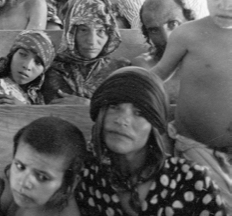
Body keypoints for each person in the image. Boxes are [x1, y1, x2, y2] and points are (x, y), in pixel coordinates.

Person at [77, 67, 227, 215]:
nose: (122, 120)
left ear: (153, 126)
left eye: (139, 113)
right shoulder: (87, 178)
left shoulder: (190, 179)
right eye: (114, 106)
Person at [149, 0, 232, 208]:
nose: (225, 4)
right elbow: (158, 74)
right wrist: (124, 86)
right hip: (194, 145)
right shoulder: (189, 34)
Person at [43, 0, 130, 105]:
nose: (91, 41)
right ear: (71, 32)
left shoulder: (120, 70)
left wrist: (88, 105)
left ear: (110, 34)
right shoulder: (53, 67)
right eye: (83, 30)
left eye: (101, 31)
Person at [131, 0, 195, 71]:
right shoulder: (145, 66)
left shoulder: (211, 58)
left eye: (173, 24)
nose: (166, 38)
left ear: (189, 20)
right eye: (154, 30)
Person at [0, 30, 56, 105]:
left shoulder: (39, 102)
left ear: (42, 72)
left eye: (38, 62)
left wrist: (23, 109)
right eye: (23, 54)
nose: (27, 66)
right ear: (12, 55)